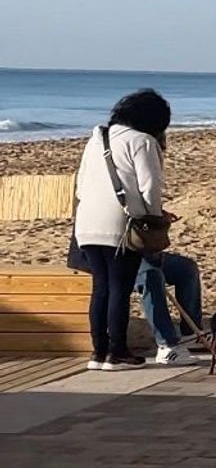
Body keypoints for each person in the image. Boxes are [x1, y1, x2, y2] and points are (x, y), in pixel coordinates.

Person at [73, 88, 171, 372]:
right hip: (121, 226)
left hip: (87, 223)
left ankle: (98, 352)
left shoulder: (96, 140)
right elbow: (150, 186)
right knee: (119, 288)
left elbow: (81, 185)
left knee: (100, 289)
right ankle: (117, 352)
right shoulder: (142, 141)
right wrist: (154, 218)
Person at [136, 251, 206, 365]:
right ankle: (166, 346)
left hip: (143, 253)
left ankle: (190, 334)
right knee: (151, 276)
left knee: (187, 269)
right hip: (118, 256)